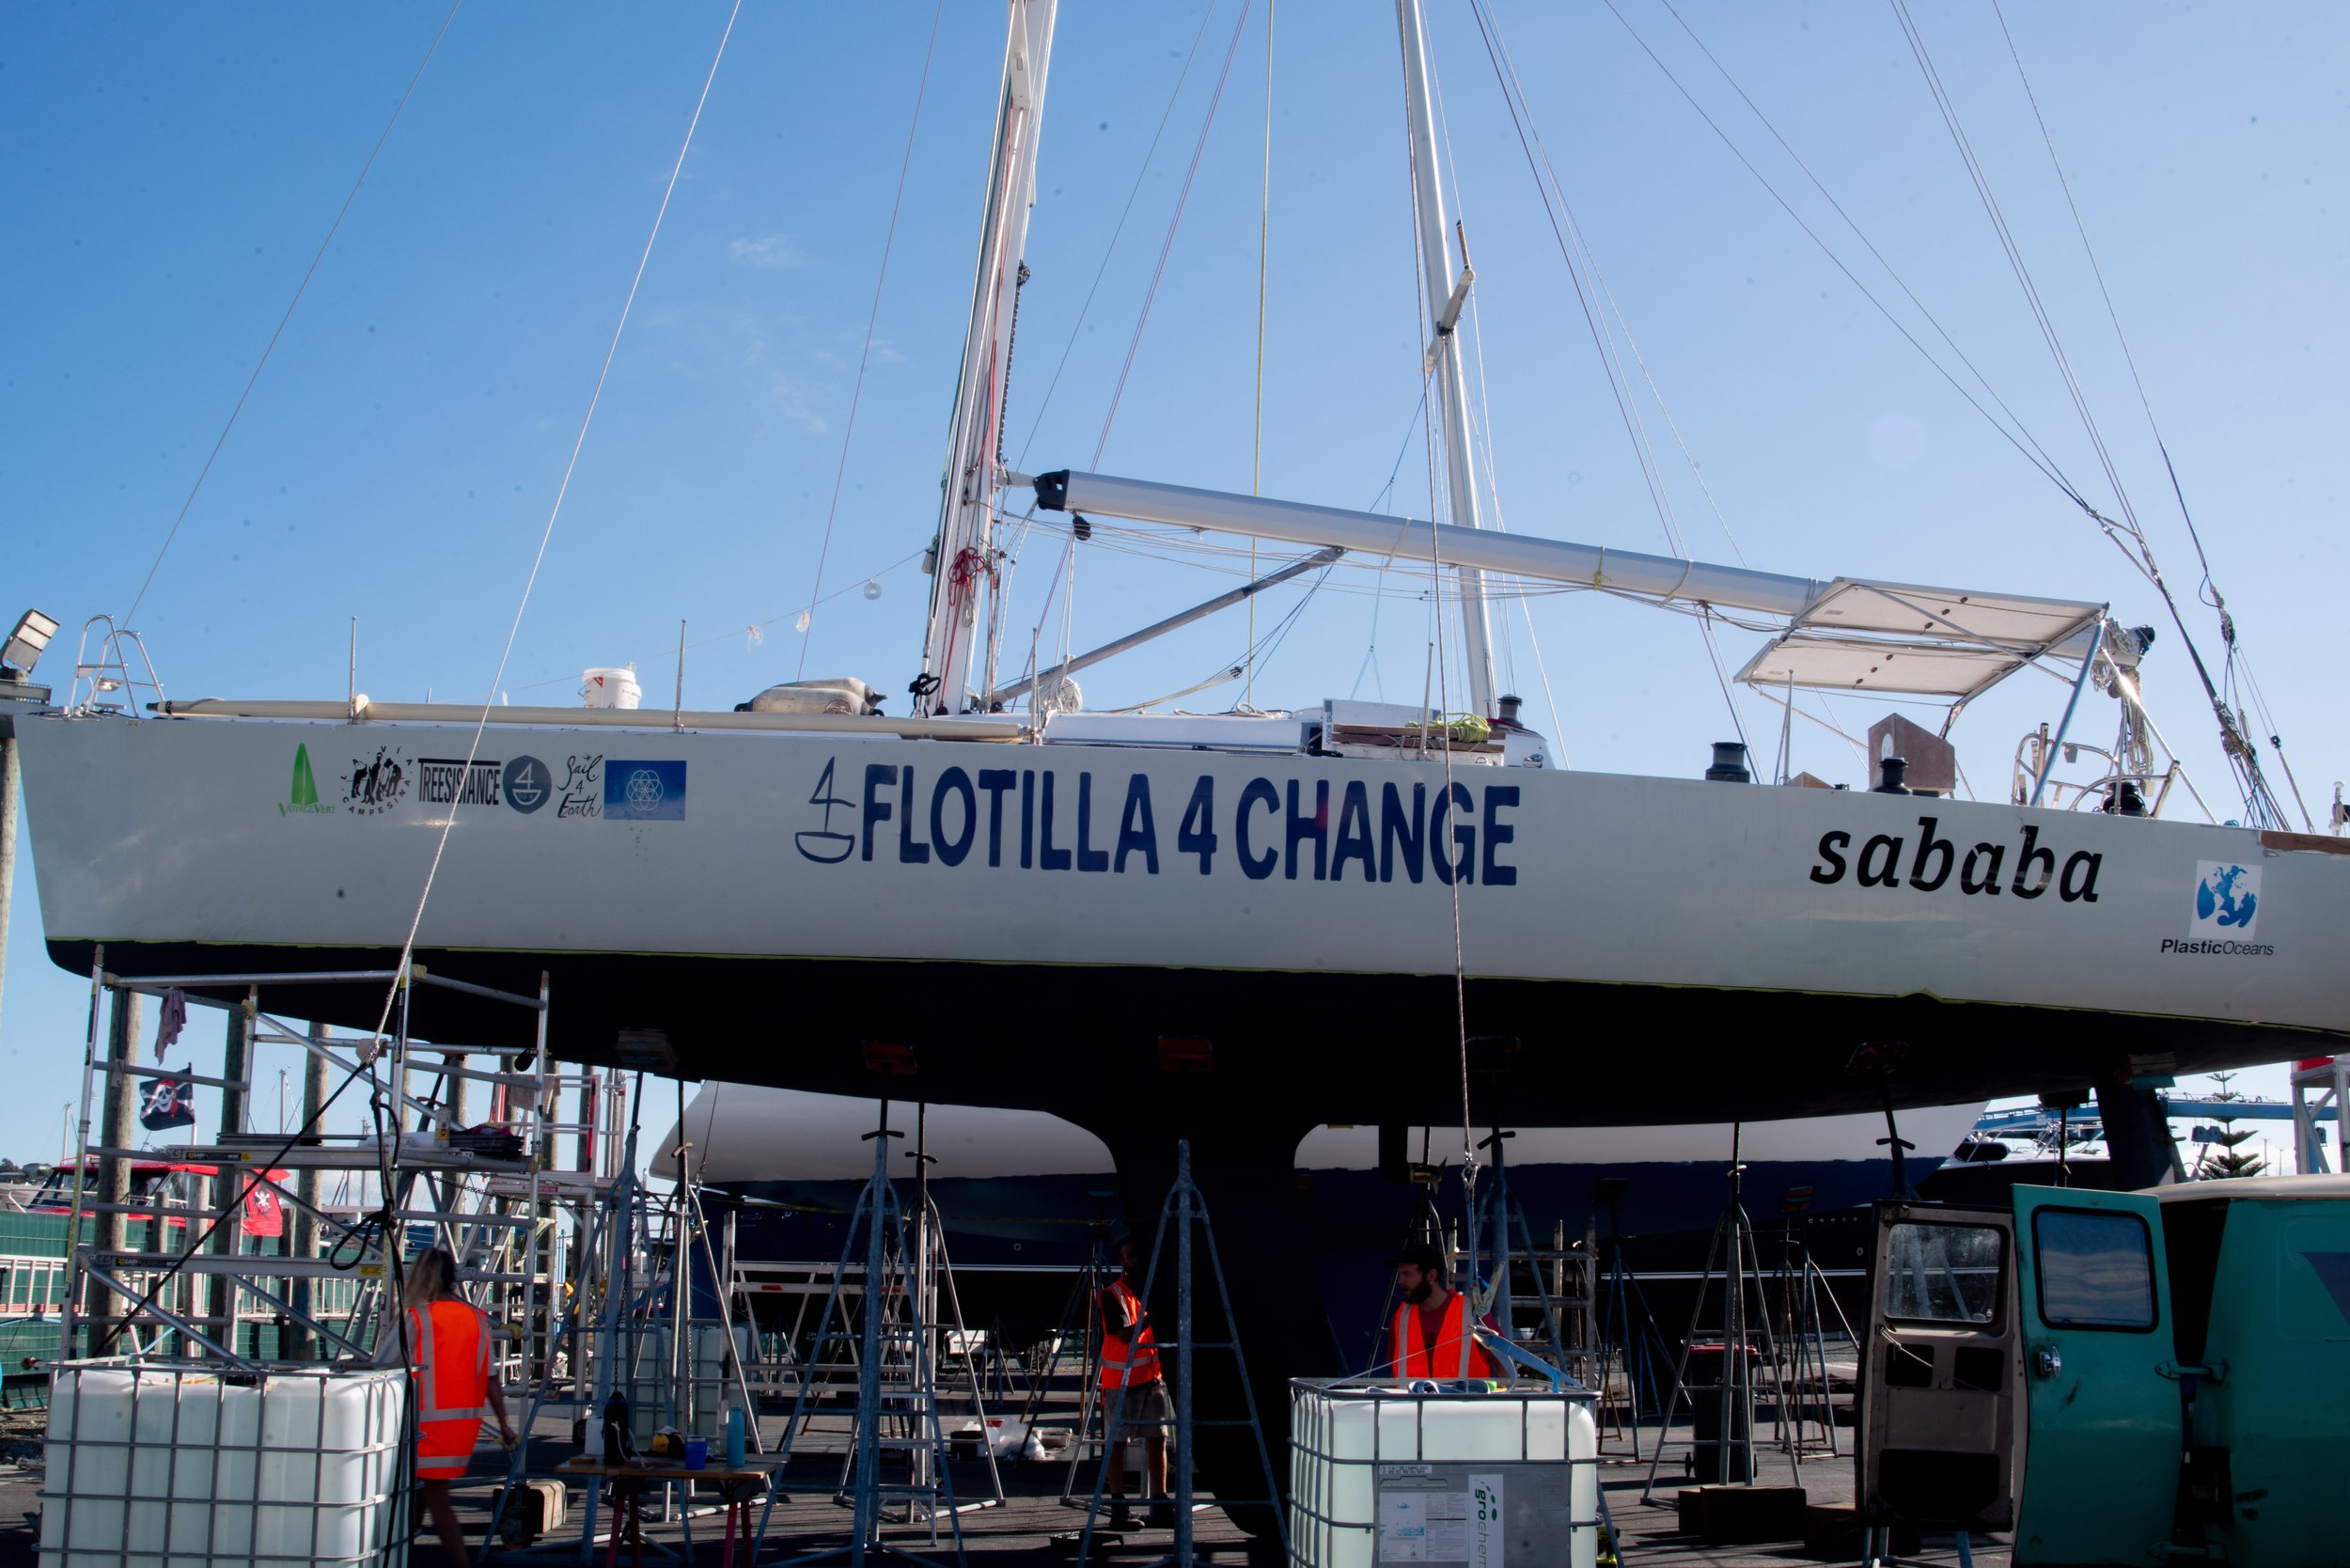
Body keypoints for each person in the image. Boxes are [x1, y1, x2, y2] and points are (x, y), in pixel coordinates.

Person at [377, 1247, 516, 1567]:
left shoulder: (419, 1318)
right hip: (462, 1425)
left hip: (425, 1425)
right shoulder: (476, 1319)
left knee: (435, 1498)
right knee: (424, 1493)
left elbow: (381, 1365)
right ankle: (399, 1551)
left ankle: (453, 1562)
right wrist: (504, 1424)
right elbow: (491, 1378)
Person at [1098, 1234, 1173, 1529]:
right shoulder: (1112, 1295)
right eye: (1130, 1256)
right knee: (1117, 1443)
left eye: (1139, 1256)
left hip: (1150, 1380)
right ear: (1122, 1261)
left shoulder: (1147, 1292)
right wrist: (1154, 1314)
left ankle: (1160, 1504)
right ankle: (1118, 1508)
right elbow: (1125, 1334)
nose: (1136, 1262)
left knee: (1158, 1439)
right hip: (1121, 1383)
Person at [1390, 1242, 1496, 1381]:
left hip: (1466, 1402)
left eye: (1407, 1274)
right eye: (1400, 1274)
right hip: (1413, 1403)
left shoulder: (1471, 1312)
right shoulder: (1401, 1317)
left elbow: (1504, 1361)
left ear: (1431, 1276)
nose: (1400, 1281)